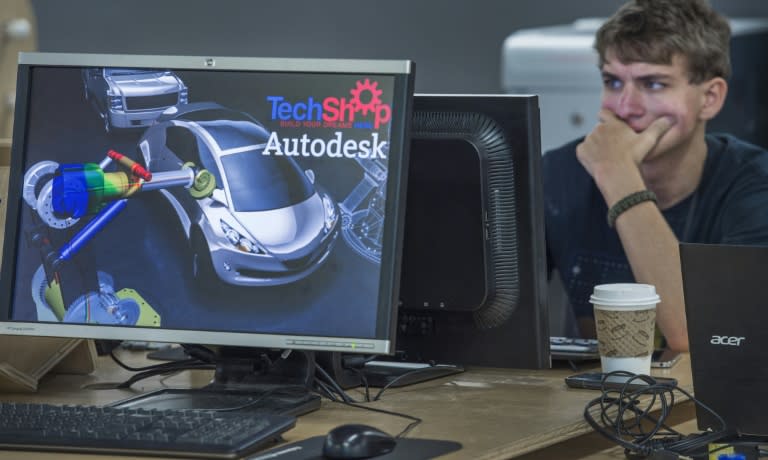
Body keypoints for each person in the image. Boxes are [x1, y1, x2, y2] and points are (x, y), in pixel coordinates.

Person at [543, 0, 768, 352]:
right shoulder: (556, 173)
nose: (625, 107)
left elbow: (700, 341)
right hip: (595, 400)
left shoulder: (753, 188)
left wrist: (619, 178)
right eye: (612, 81)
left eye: (654, 84)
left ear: (710, 98)